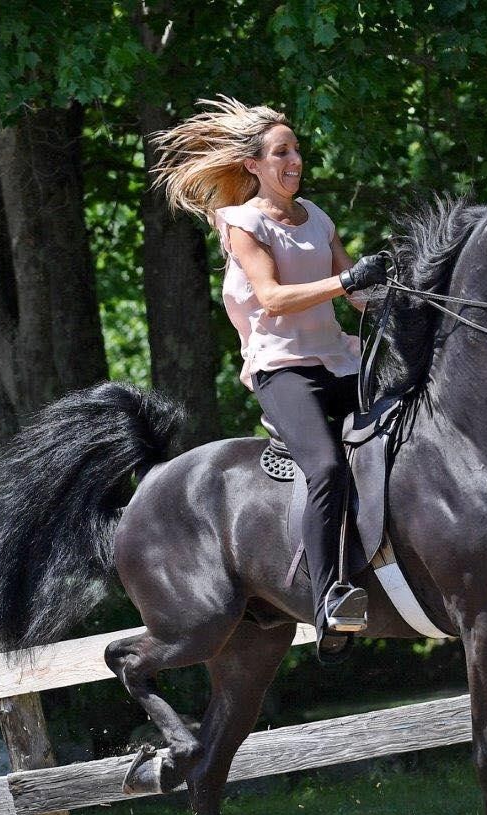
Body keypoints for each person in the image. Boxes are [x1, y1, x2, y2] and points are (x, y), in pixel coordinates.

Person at [149, 96, 389, 663]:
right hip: (282, 369)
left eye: (297, 150)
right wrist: (348, 280)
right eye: (282, 152)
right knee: (327, 466)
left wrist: (390, 285)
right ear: (253, 166)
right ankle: (330, 599)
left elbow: (353, 295)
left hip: (339, 360)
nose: (295, 159)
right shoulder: (243, 225)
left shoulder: (319, 218)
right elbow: (274, 299)